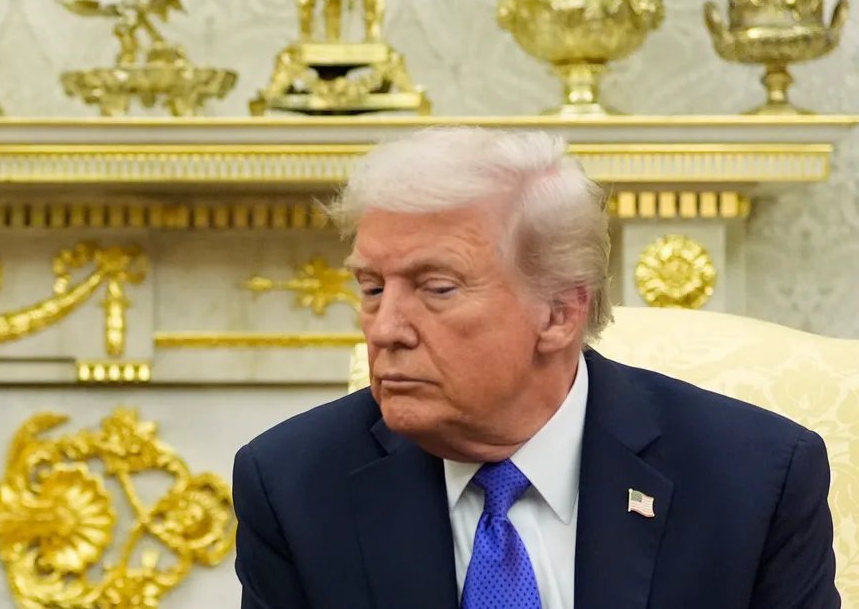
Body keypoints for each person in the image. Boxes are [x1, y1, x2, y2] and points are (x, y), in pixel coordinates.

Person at [231, 127, 839, 609]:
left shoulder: (752, 481)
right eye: (370, 288)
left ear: (558, 313)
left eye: (437, 288)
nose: (385, 328)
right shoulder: (293, 485)